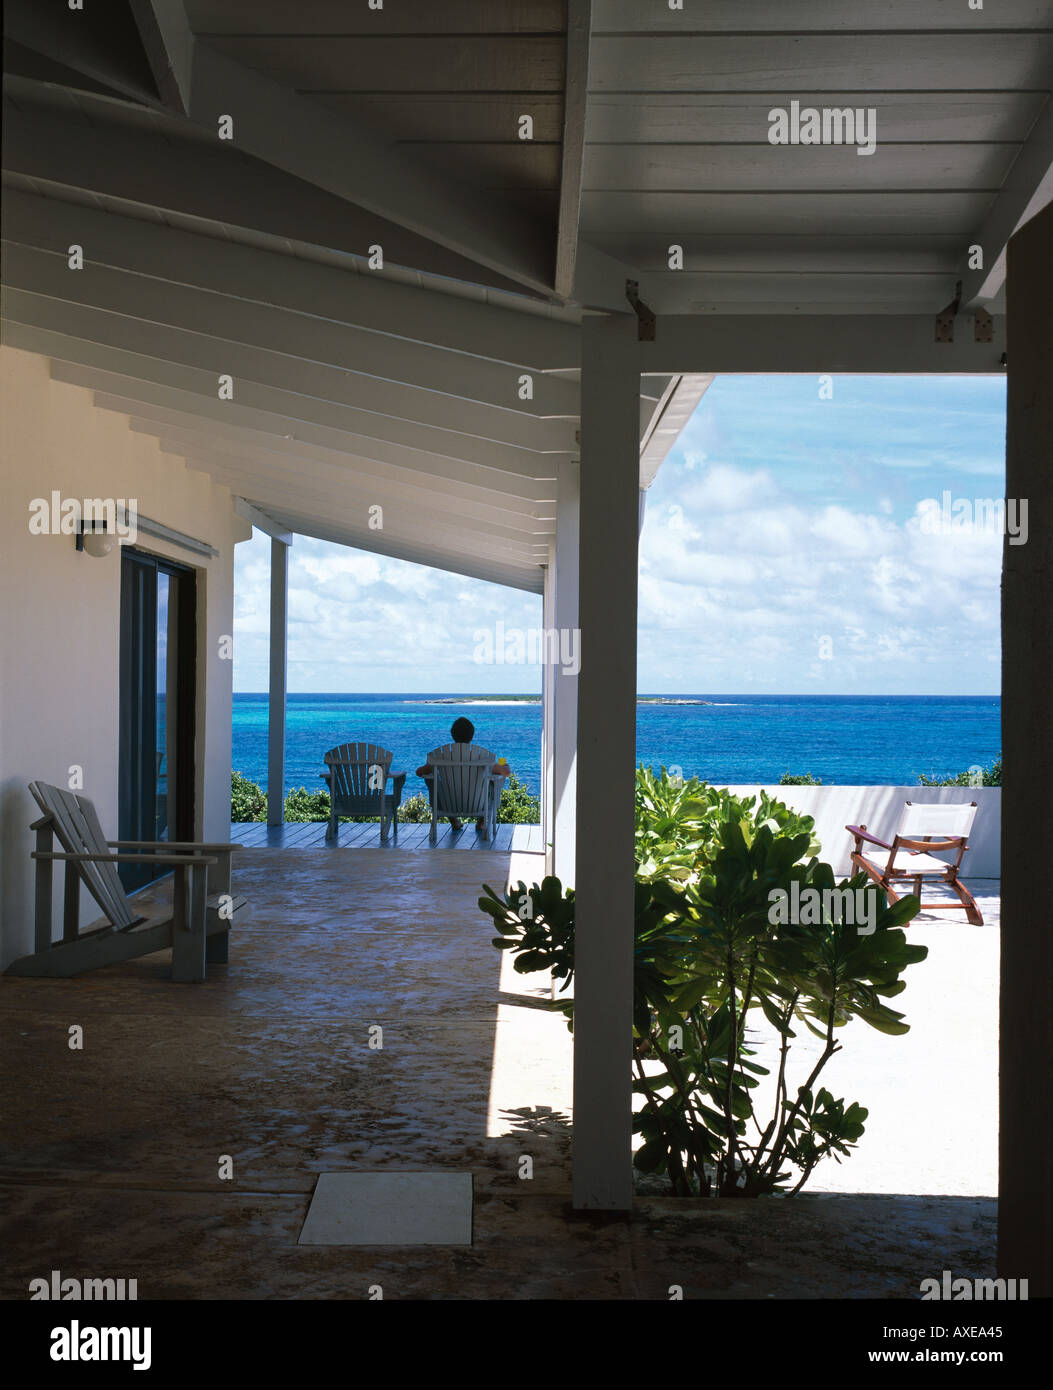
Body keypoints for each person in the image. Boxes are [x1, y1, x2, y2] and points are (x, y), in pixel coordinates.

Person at [416, 717, 511, 832]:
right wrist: (505, 766)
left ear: (452, 734)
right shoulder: (481, 757)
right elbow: (506, 773)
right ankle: (481, 821)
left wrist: (430, 769)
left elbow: (419, 772)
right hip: (477, 805)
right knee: (493, 783)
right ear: (472, 736)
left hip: (448, 805)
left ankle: (454, 820)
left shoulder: (440, 756)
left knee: (434, 782)